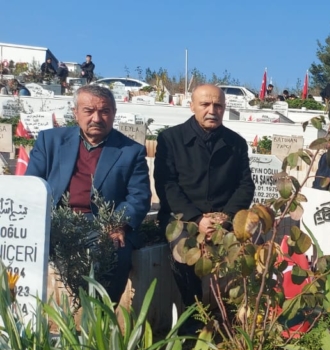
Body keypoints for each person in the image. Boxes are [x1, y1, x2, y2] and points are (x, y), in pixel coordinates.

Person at [25, 85, 151, 303]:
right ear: (75, 113)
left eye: (104, 111)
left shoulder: (131, 151)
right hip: (54, 220)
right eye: (88, 110)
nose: (97, 118)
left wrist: (117, 224)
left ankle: (99, 321)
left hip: (102, 224)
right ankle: (23, 316)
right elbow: (31, 186)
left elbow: (139, 197)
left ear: (113, 114)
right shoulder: (50, 141)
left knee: (115, 253)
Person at [154, 84, 255, 311]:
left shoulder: (236, 143)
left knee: (248, 250)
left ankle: (233, 314)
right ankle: (196, 315)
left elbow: (245, 185)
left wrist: (226, 218)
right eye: (205, 104)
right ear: (192, 106)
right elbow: (167, 185)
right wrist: (197, 219)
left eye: (218, 105)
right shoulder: (170, 139)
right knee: (183, 250)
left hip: (223, 218)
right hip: (183, 218)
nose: (212, 110)